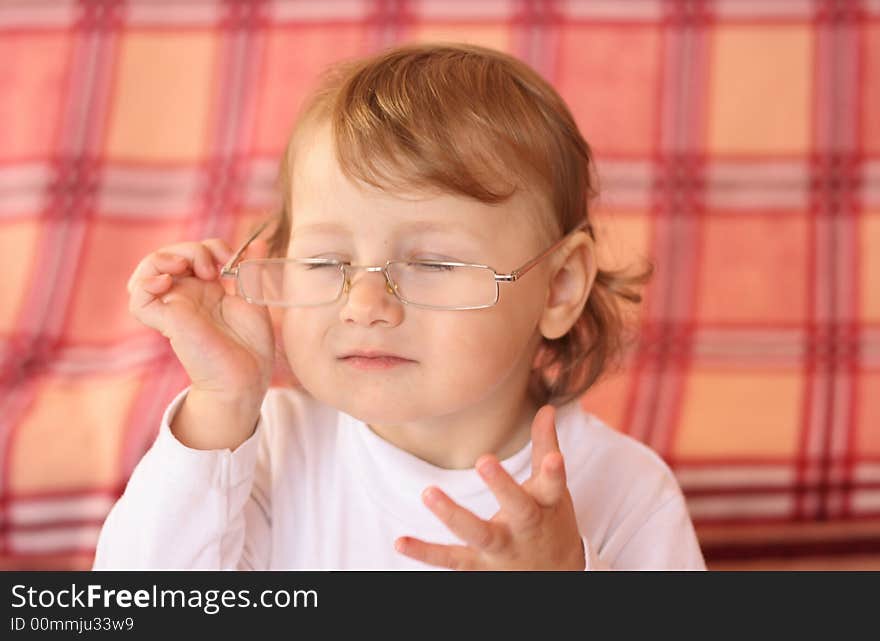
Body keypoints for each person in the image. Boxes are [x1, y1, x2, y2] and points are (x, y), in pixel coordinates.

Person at [93, 42, 705, 570]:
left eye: (433, 265)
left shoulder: (625, 488)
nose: (364, 305)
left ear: (559, 287)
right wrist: (221, 403)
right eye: (327, 263)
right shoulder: (267, 448)